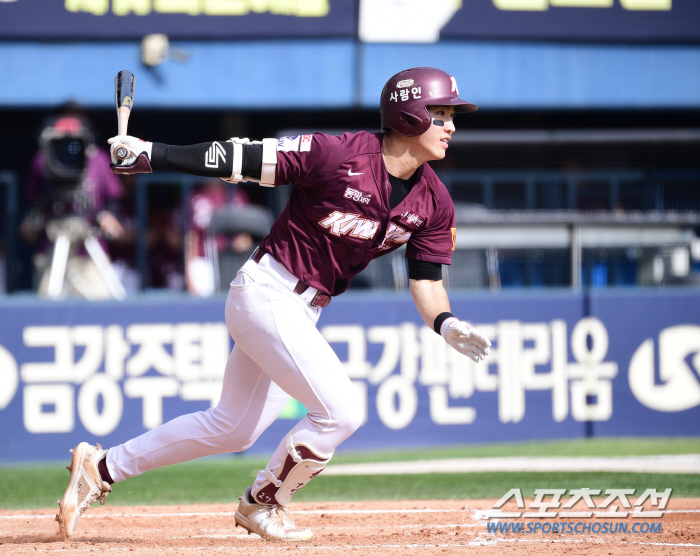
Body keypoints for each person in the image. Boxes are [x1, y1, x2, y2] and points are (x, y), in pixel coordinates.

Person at [55, 67, 492, 541]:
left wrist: (446, 324)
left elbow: (426, 282)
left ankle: (99, 469)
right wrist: (152, 154)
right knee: (342, 412)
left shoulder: (435, 201)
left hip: (302, 310)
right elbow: (240, 158)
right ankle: (263, 502)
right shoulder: (338, 153)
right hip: (267, 291)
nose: (451, 126)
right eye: (441, 114)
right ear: (408, 115)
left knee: (232, 428)